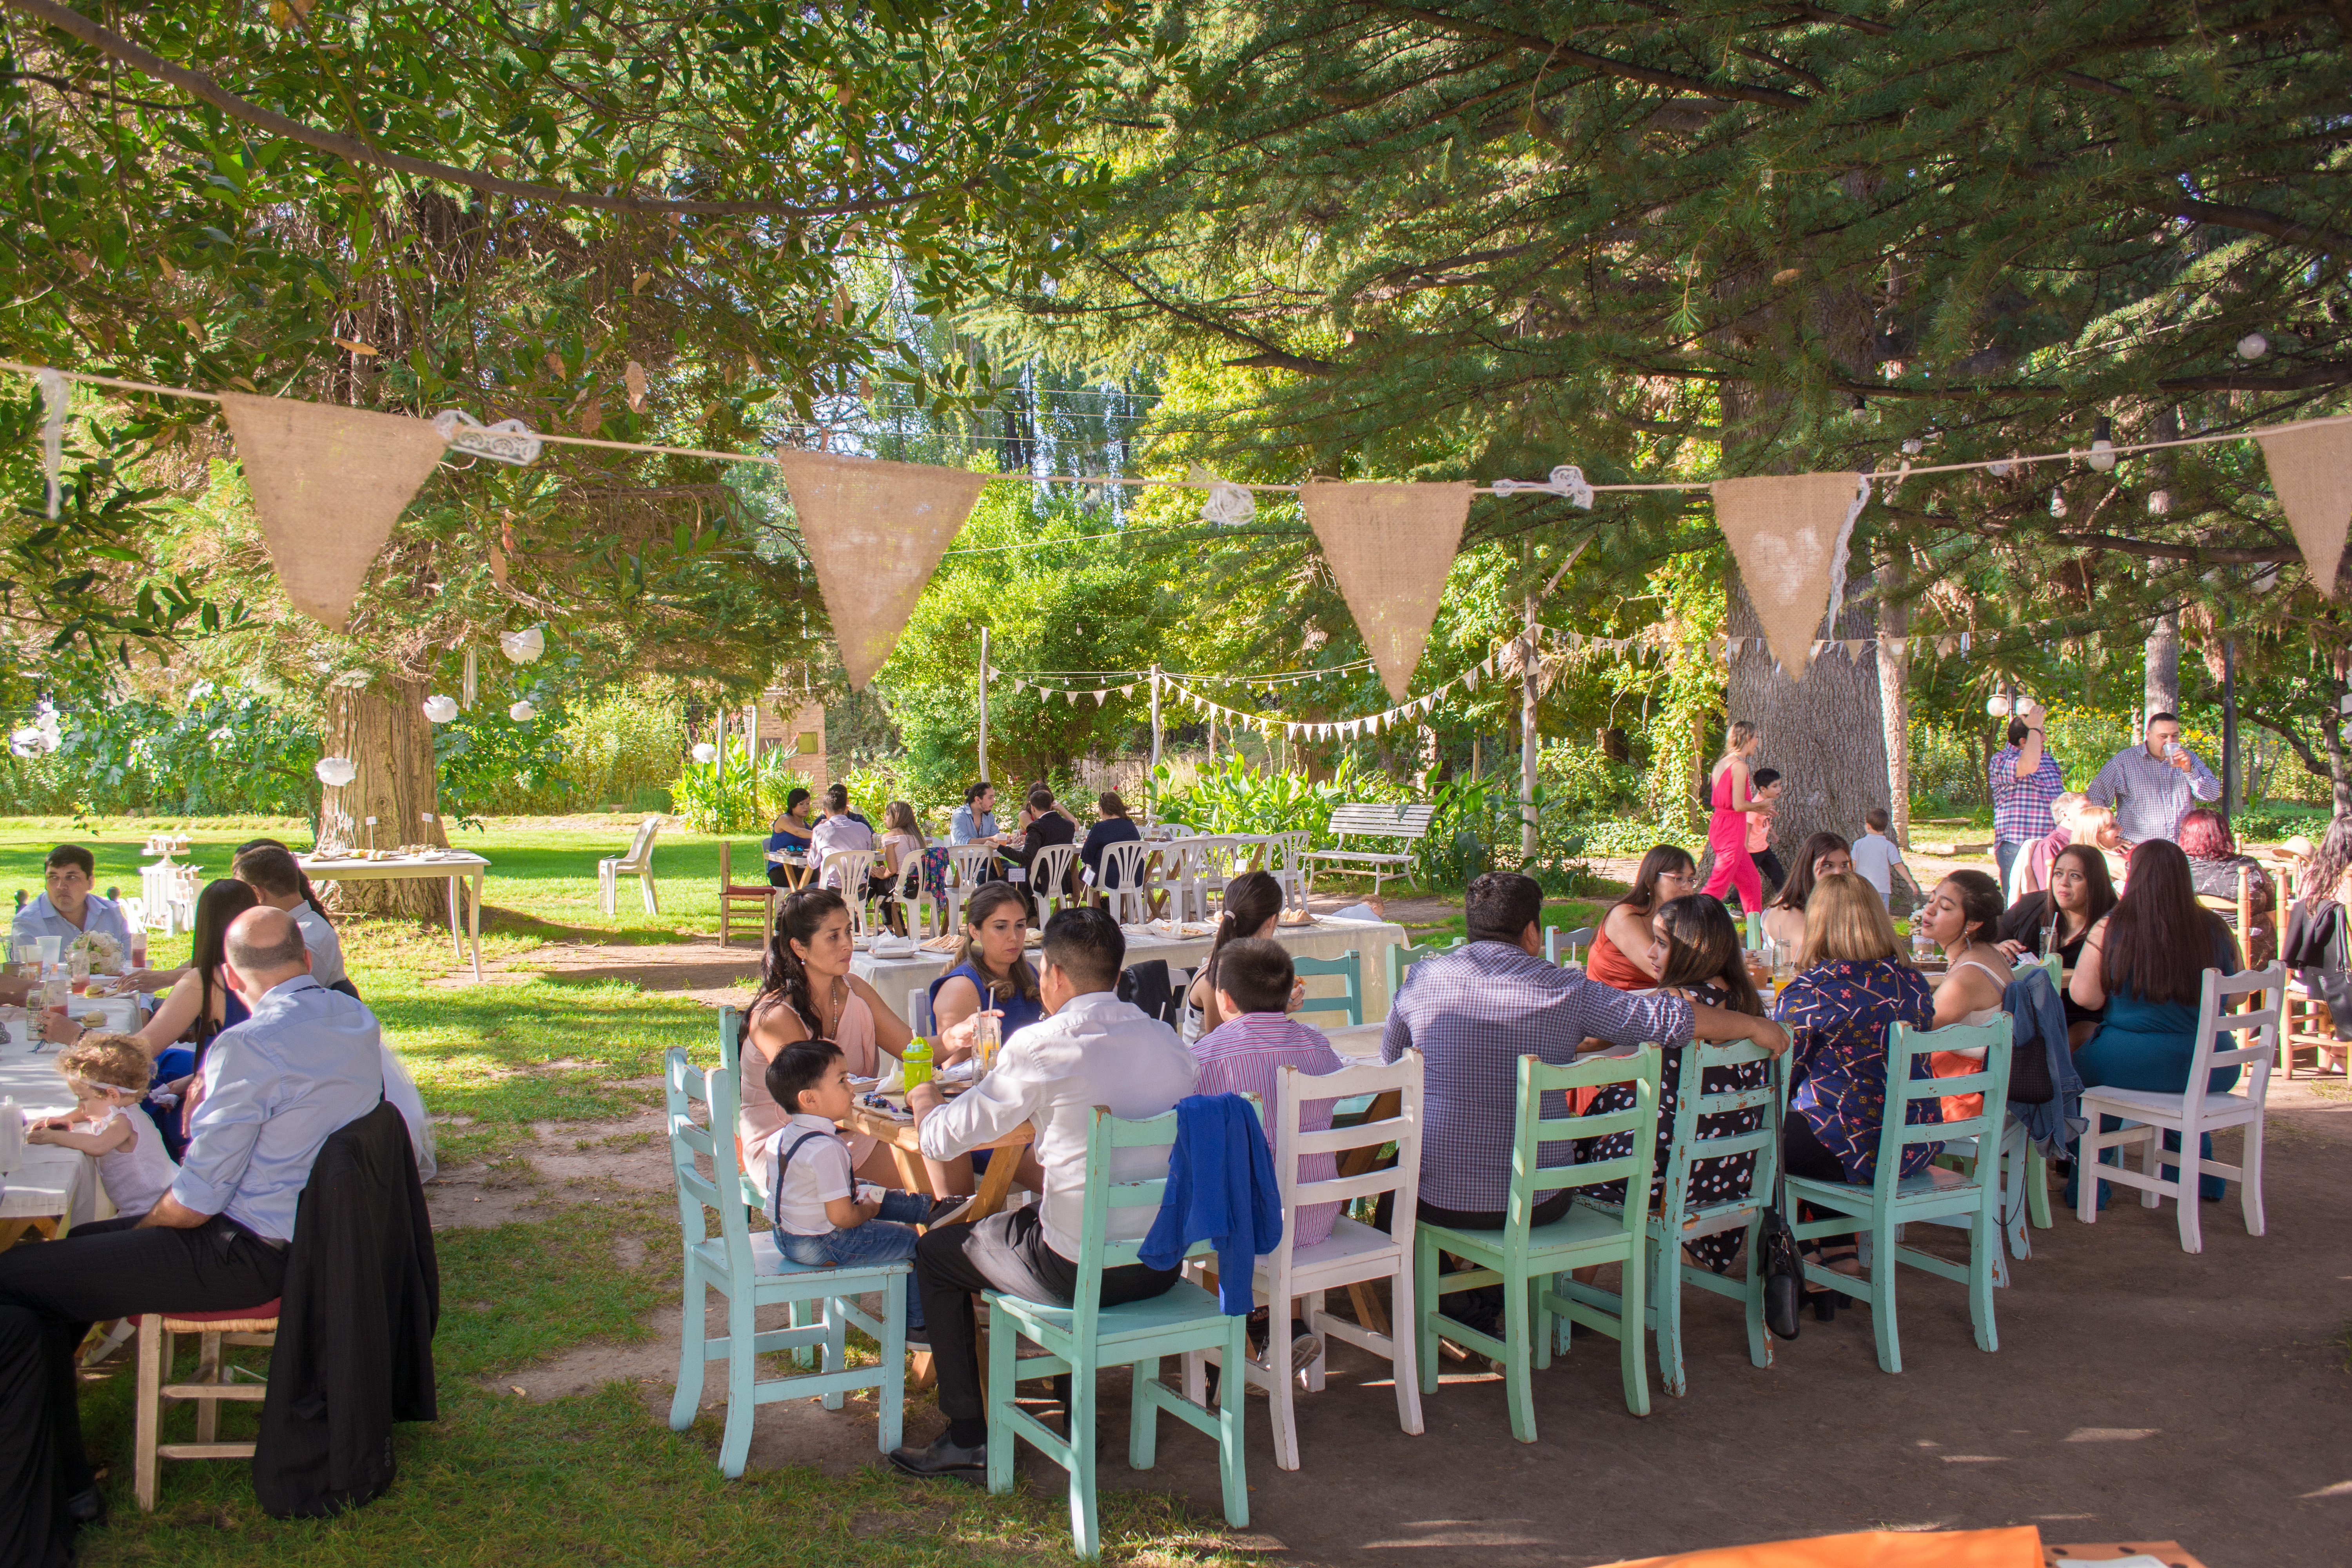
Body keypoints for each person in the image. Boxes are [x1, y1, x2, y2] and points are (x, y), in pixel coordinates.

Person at [0, 905, 386, 1561]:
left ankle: (56, 1494)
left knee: (15, 1282)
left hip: (244, 1250)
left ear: (233, 980)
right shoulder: (354, 1019)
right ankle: (68, 1487)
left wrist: (145, 1229)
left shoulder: (251, 1044)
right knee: (62, 1268)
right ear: (307, 959)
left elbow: (192, 1206)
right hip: (305, 1241)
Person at [891, 906, 1200, 1481]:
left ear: (1053, 974)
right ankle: (1073, 1405)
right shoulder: (1166, 1039)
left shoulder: (1042, 1046)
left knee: (937, 1252)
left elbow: (940, 1139)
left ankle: (968, 1435)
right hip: (1160, 1262)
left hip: (1075, 1270)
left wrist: (923, 1096)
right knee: (1049, 1216)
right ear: (1115, 971)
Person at [1380, 873, 1787, 1236]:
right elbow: (1671, 1018)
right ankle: (1484, 1298)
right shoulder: (1568, 991)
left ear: (1471, 929)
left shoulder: (1422, 978)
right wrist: (1754, 1025)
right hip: (1540, 1200)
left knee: (1392, 1182)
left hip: (1436, 1196)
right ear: (1532, 934)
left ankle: (1448, 1302)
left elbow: (1391, 1063)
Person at [1578, 895, 1781, 1273]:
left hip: (1672, 1177)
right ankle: (1678, 1256)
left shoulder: (1674, 1004)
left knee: (1574, 1164)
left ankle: (1567, 1301)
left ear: (1695, 951)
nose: (1650, 953)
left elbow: (1592, 1040)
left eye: (1663, 943)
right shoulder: (1750, 1004)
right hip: (1729, 1173)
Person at [739, 888, 970, 1198]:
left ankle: (946, 1240)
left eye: (848, 931)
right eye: (833, 937)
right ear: (799, 947)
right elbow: (814, 1104)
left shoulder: (854, 989)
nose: (848, 944)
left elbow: (911, 1050)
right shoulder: (777, 1017)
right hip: (793, 1142)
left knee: (947, 1148)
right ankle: (940, 1240)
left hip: (854, 1126)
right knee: (931, 1165)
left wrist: (958, 1036)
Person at [1771, 871, 1938, 1290]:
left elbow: (1779, 1079)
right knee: (1815, 1123)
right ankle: (1840, 1247)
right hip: (1911, 1141)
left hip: (1857, 1148)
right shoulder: (1913, 983)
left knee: (1764, 1134)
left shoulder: (1812, 991)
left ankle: (1797, 1251)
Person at [1189, 936, 1348, 1366]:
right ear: (1289, 993)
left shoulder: (1208, 1057)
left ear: (1223, 998)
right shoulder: (1318, 1048)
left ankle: (1222, 1343)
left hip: (1251, 1230)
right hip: (1317, 1218)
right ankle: (1274, 1326)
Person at [2069, 839, 2241, 1203]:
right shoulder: (2214, 926)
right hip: (2213, 1064)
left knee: (2083, 1069)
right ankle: (2202, 1178)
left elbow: (2085, 998)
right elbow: (2238, 995)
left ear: (2134, 877)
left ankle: (2088, 1183)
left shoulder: (2112, 927)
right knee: (2184, 1090)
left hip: (2131, 1060)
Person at [762, 1038, 958, 1328]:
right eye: (843, 1081)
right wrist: (867, 1210)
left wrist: (865, 1200)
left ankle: (929, 1210)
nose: (852, 1088)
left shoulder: (780, 1137)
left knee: (864, 1187)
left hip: (787, 1236)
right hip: (822, 1243)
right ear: (810, 1099)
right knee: (913, 1243)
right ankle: (919, 1326)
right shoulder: (825, 1150)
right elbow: (842, 1217)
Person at [26, 1034, 180, 1220]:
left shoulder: (124, 1122)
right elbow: (87, 1111)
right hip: (148, 1205)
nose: (80, 1106)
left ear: (113, 1095)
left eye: (83, 1098)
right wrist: (63, 1119)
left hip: (151, 1211)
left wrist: (54, 1137)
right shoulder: (120, 1109)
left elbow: (98, 1146)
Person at [1917, 870, 2016, 1123]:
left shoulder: (1969, 976)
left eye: (1945, 907)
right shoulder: (1983, 953)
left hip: (1969, 1092)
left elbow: (1913, 1032)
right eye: (1931, 900)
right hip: (1978, 1078)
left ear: (1972, 924)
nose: (1929, 911)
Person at [1995, 843, 2117, 1047]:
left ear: (2095, 883)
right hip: (2025, 1009)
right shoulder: (2032, 906)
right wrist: (1997, 947)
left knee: (2067, 1045)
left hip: (2080, 1013)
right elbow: (1986, 940)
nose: (2063, 883)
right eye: (2058, 874)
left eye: (2075, 876)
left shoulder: (2111, 923)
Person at [927, 882, 1049, 1058]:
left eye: (1020, 926)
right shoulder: (961, 987)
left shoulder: (1029, 973)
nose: (1014, 937)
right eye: (1001, 927)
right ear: (975, 931)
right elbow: (956, 1070)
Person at [1183, 871, 1301, 1033]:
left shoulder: (1242, 967)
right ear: (1272, 921)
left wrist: (1279, 1009)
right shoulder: (1216, 979)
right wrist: (1277, 1014)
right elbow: (1221, 1046)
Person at [2279, 815, 2351, 1075]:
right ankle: (2339, 1048)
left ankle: (2337, 1051)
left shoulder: (2311, 875)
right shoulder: (2349, 879)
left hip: (2311, 972)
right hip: (2344, 977)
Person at [2083, 712, 2220, 847]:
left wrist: (2190, 772)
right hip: (2140, 847)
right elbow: (2095, 798)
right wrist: (2112, 837)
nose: (2170, 742)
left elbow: (2212, 795)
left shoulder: (2188, 758)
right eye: (2163, 737)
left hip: (2182, 847)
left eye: (2175, 736)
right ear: (2148, 735)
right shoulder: (2124, 761)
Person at [233, 844, 352, 995]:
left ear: (257, 893)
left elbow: (281, 999)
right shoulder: (298, 927)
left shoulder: (306, 939)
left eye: (244, 893)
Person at [2176, 808, 2277, 966]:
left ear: (2186, 835)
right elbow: (2273, 907)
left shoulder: (2178, 868)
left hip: (2194, 953)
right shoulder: (2248, 866)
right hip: (2252, 955)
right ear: (2224, 834)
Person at [1590, 846, 1700, 990]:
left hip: (1658, 1000)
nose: (1688, 887)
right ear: (1651, 881)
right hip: (1614, 1005)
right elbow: (1664, 972)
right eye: (1679, 878)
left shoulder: (1678, 919)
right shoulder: (1623, 916)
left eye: (1691, 879)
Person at [1987, 701, 2063, 887]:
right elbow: (2028, 766)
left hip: (2050, 846)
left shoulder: (2048, 760)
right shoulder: (2001, 760)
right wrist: (2035, 727)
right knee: (2017, 908)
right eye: (2040, 733)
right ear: (2024, 741)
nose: (2045, 738)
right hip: (2017, 846)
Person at [1700, 722, 1771, 913]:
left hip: (1720, 824)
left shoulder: (1722, 762)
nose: (1757, 742)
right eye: (1756, 737)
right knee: (1717, 886)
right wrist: (1761, 806)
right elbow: (1739, 805)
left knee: (1752, 882)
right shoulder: (1739, 766)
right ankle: (1689, 921)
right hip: (1731, 828)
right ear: (1748, 738)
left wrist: (1759, 808)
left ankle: (1757, 937)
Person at [1760, 832, 1854, 947]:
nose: (1839, 873)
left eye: (1844, 865)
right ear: (1809, 868)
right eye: (1828, 866)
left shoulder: (1849, 904)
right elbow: (1812, 955)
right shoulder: (1786, 909)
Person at [809, 783, 886, 897]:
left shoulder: (820, 830)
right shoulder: (863, 828)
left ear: (825, 811)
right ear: (846, 809)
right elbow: (868, 855)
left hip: (831, 893)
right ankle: (856, 913)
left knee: (804, 891)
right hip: (859, 890)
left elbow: (813, 864)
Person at [2009, 791, 2087, 903]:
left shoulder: (2086, 841)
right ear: (2065, 814)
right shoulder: (2051, 845)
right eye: (2085, 809)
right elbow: (2047, 890)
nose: (2090, 813)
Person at [1850, 808, 1921, 912]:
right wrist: (1910, 882)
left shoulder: (1859, 844)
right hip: (1881, 889)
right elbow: (1898, 865)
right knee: (1881, 917)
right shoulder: (1889, 846)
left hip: (1861, 887)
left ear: (1868, 826)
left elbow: (1853, 864)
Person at [1079, 789, 1144, 903]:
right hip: (1134, 875)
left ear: (1101, 810)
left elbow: (1087, 857)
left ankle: (1099, 915)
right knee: (1123, 872)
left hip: (1108, 876)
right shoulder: (1130, 825)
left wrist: (1090, 841)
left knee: (1082, 877)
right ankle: (1120, 916)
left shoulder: (1099, 827)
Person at [1747, 768, 1786, 899]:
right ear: (1763, 789)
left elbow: (1765, 821)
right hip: (1753, 850)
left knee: (1778, 874)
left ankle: (1785, 898)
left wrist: (1773, 834)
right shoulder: (1756, 805)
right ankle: (1733, 902)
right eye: (1775, 786)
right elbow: (1747, 825)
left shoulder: (1767, 802)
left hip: (1763, 847)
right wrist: (1745, 848)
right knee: (1748, 878)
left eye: (1780, 785)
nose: (1779, 789)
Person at [764, 787, 815, 889]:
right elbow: (797, 832)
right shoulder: (784, 819)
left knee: (822, 877)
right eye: (801, 804)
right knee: (810, 883)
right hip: (780, 869)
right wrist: (822, 833)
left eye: (808, 803)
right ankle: (799, 901)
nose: (806, 807)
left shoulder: (806, 826)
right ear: (792, 805)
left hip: (802, 867)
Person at [949, 781, 1000, 846]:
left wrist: (1009, 840)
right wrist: (992, 840)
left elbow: (996, 838)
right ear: (978, 800)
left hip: (987, 856)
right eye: (990, 798)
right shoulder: (960, 815)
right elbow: (963, 842)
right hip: (964, 856)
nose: (994, 801)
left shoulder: (989, 815)